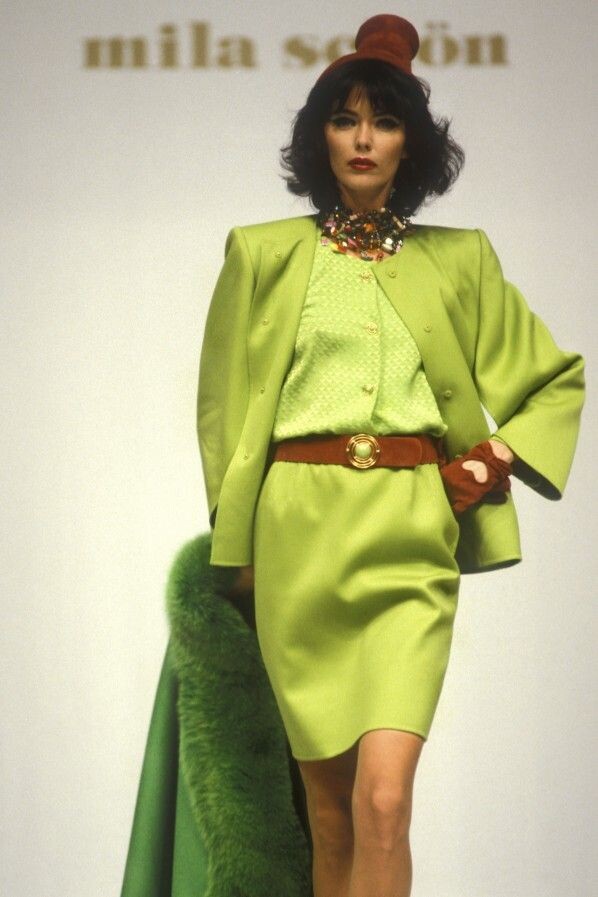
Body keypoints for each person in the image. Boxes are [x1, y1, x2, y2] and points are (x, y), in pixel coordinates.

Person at [196, 13, 585, 897]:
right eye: (345, 119)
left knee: (384, 802)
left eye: (385, 120)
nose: (364, 138)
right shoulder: (261, 254)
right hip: (299, 537)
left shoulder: (461, 261)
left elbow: (554, 380)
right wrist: (237, 543)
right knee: (330, 814)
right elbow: (222, 413)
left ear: (413, 142)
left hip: (411, 534)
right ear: (321, 138)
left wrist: (489, 460)